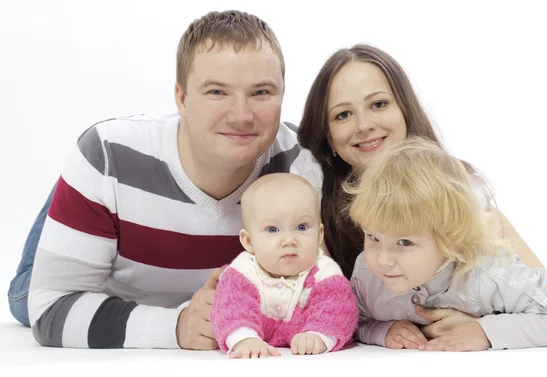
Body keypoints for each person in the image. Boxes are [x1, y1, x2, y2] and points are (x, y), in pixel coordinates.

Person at [9, 10, 322, 350]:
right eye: (217, 92)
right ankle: (83, 193)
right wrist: (175, 325)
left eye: (261, 92)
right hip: (112, 202)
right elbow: (50, 309)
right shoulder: (109, 153)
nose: (241, 115)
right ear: (182, 100)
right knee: (26, 297)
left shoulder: (302, 163)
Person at [296, 44, 547, 330]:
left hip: (493, 303)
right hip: (394, 324)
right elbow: (326, 304)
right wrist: (385, 328)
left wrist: (483, 323)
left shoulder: (456, 188)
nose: (364, 124)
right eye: (343, 115)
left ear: (405, 112)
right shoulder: (315, 195)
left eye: (379, 104)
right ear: (329, 138)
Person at [345, 137, 547, 350]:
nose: (382, 259)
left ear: (451, 240)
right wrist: (382, 330)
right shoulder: (367, 273)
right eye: (373, 237)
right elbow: (351, 321)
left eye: (404, 242)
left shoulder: (490, 274)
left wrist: (484, 330)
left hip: (515, 301)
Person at [211, 173, 357, 358]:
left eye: (302, 227)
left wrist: (318, 335)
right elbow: (230, 309)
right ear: (249, 241)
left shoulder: (325, 273)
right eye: (272, 229)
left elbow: (339, 310)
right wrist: (244, 338)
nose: (289, 240)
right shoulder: (242, 272)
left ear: (320, 235)